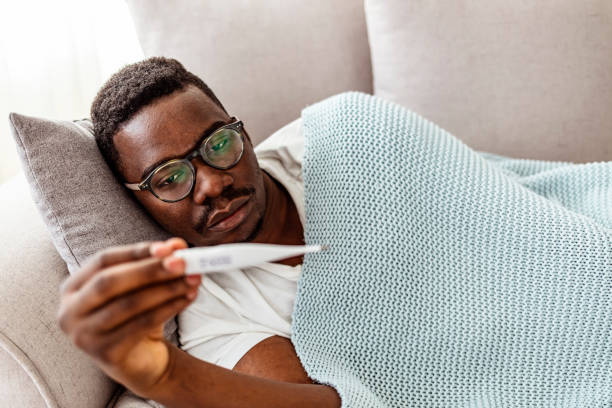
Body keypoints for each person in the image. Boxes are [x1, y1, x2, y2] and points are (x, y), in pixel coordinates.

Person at [56, 57, 340, 407]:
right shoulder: (212, 313)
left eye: (219, 144)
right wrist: (167, 377)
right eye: (170, 178)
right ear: (140, 202)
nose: (212, 184)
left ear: (244, 134)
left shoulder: (341, 137)